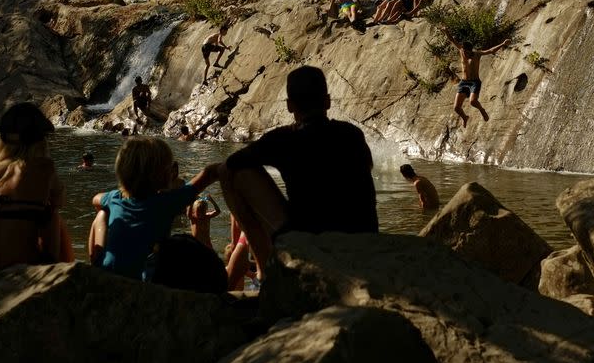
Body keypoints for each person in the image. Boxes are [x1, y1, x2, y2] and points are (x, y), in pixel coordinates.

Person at [214, 66, 378, 274]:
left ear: (290, 106)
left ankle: (265, 271)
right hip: (364, 243)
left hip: (311, 245)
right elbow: (368, 167)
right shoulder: (352, 133)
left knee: (234, 172)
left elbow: (229, 165)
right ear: (327, 101)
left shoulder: (283, 139)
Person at [0, 102, 75, 299]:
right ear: (40, 141)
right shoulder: (44, 168)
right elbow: (61, 201)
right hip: (17, 276)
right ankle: (64, 287)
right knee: (52, 213)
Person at [88, 136, 220, 281]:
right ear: (164, 175)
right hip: (143, 281)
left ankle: (95, 263)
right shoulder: (166, 202)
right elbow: (209, 174)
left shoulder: (114, 197)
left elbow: (96, 199)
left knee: (101, 214)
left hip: (108, 271)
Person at [443, 30, 511, 127]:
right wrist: (446, 31)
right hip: (463, 82)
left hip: (474, 82)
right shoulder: (462, 51)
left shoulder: (477, 54)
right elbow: (452, 40)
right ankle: (465, 117)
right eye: (464, 51)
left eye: (467, 52)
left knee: (473, 101)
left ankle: (482, 110)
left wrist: (503, 44)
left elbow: (491, 51)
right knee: (456, 108)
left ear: (471, 51)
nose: (465, 54)